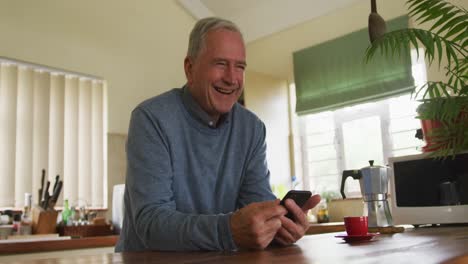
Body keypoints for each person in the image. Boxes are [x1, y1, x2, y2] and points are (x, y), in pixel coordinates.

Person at [115, 17, 321, 252]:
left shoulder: (252, 129)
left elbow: (257, 208)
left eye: (240, 67)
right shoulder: (151, 119)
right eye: (221, 64)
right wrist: (228, 230)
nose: (232, 78)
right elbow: (151, 224)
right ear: (190, 69)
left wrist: (279, 227)